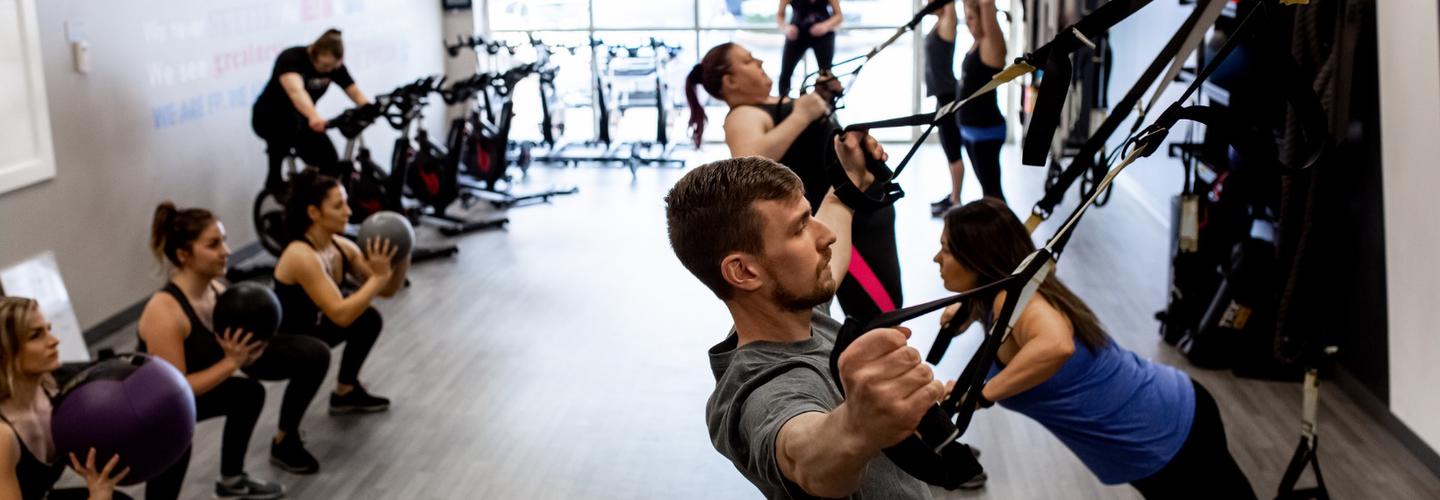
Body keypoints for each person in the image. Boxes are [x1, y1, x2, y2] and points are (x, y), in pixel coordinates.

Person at [666, 135, 965, 498]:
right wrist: (857, 426)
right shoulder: (761, 393)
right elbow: (807, 459)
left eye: (810, 216)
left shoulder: (798, 310)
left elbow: (835, 215)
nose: (826, 236)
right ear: (743, 271)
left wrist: (849, 178)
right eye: (799, 228)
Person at [933, 199, 1256, 499]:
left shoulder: (1014, 301)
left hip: (1165, 432)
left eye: (946, 249)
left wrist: (980, 395)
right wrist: (971, 310)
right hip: (1166, 420)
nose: (937, 258)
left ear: (977, 259)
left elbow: (1057, 345)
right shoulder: (1013, 292)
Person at [685, 42, 901, 324]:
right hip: (846, 222)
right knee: (879, 311)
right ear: (730, 81)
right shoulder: (742, 115)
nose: (760, 62)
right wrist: (803, 113)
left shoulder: (778, 102)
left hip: (866, 208)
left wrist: (822, 98)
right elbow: (748, 163)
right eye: (748, 61)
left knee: (887, 305)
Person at [137, 202, 311, 497]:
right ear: (184, 255)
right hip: (151, 410)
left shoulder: (218, 291)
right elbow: (174, 390)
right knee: (177, 435)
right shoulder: (164, 311)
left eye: (224, 241)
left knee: (248, 394)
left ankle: (231, 480)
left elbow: (226, 355)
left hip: (185, 398)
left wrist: (250, 351)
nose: (226, 251)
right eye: (213, 244)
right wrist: (232, 362)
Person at [268, 170, 407, 471]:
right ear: (314, 213)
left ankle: (345, 392)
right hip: (275, 346)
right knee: (315, 355)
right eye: (338, 205)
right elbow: (341, 313)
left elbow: (387, 290)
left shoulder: (341, 247)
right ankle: (283, 440)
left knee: (368, 318)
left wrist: (402, 252)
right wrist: (379, 277)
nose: (348, 211)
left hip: (313, 330)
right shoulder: (300, 255)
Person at [0, 297, 132, 500]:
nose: (54, 341)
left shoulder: (54, 388)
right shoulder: (3, 436)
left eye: (48, 329)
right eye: (36, 335)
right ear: (5, 351)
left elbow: (107, 368)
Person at [251, 29, 370, 193]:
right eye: (325, 66)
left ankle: (317, 194)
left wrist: (369, 108)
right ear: (313, 52)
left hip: (301, 118)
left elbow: (353, 91)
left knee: (329, 162)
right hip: (269, 117)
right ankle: (274, 182)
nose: (329, 71)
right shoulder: (291, 59)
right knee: (283, 135)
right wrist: (314, 116)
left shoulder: (334, 66)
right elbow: (296, 92)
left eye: (333, 67)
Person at [934, 0, 1009, 215]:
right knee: (988, 192)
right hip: (971, 131)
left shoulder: (991, 44)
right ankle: (996, 228)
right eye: (966, 18)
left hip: (986, 131)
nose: (968, 23)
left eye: (971, 18)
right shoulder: (977, 42)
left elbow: (986, 6)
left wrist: (985, 7)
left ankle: (1006, 231)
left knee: (992, 192)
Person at [922, 2, 968, 217]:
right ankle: (953, 196)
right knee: (949, 150)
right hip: (942, 98)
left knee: (953, 151)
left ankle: (956, 201)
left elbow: (949, 5)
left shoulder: (948, 22)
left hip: (949, 97)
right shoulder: (939, 22)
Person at [776, 0, 842, 100]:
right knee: (785, 73)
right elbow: (780, 15)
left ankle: (826, 104)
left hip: (823, 36)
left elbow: (839, 16)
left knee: (825, 73)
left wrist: (825, 26)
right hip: (796, 35)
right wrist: (786, 28)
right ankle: (783, 103)